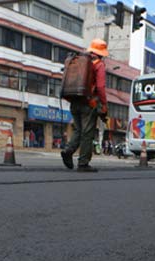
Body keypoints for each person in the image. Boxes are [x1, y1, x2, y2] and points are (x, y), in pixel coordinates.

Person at [61, 39, 109, 172]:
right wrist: (104, 104)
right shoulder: (99, 65)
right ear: (102, 53)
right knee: (87, 133)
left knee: (78, 129)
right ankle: (83, 163)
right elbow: (100, 87)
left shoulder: (77, 61)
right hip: (89, 103)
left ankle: (68, 151)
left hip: (74, 100)